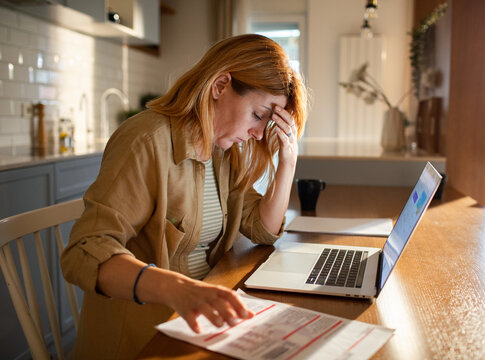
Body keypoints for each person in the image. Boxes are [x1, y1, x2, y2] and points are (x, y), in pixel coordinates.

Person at [61, 33, 308, 359]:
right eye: (259, 115)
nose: (259, 134)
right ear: (220, 86)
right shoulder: (146, 140)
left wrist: (287, 161)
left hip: (198, 326)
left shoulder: (224, 151)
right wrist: (179, 289)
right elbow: (82, 252)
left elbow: (261, 228)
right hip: (144, 341)